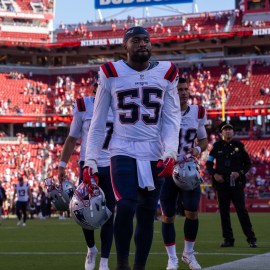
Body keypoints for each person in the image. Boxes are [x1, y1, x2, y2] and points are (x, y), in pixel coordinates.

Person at [84, 26, 181, 270]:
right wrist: (91, 160)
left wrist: (171, 151)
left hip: (154, 150)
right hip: (122, 148)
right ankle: (122, 263)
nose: (142, 44)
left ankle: (139, 266)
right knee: (126, 204)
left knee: (147, 213)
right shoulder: (111, 72)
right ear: (124, 46)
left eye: (146, 40)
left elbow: (171, 118)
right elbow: (97, 122)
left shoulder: (167, 72)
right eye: (136, 40)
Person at [58, 90, 115, 270]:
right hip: (88, 164)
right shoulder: (84, 105)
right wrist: (61, 164)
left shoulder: (120, 104)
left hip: (113, 163)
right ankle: (91, 249)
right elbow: (72, 138)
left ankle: (104, 260)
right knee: (84, 210)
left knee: (108, 214)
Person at [160, 77, 208, 270]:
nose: (184, 92)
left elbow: (203, 141)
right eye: (180, 89)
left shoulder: (197, 112)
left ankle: (188, 253)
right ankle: (171, 258)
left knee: (192, 212)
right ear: (173, 92)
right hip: (168, 169)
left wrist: (197, 151)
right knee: (168, 216)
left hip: (188, 169)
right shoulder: (163, 112)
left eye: (186, 89)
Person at [206, 121, 257, 248]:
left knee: (241, 210)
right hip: (222, 184)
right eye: (225, 129)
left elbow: (248, 164)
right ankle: (228, 239)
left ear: (233, 132)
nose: (228, 131)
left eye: (230, 129)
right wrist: (215, 174)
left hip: (236, 184)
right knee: (224, 212)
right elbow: (208, 164)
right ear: (221, 132)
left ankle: (251, 238)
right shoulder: (216, 146)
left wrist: (239, 173)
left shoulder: (239, 145)